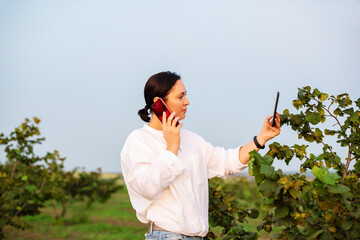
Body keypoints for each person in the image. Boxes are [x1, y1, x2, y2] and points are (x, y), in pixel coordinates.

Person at [120, 71, 281, 240]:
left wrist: (261, 138)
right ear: (159, 102)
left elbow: (227, 162)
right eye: (180, 97)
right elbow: (146, 187)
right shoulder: (139, 141)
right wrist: (172, 147)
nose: (187, 102)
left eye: (185, 96)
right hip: (166, 236)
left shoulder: (191, 139)